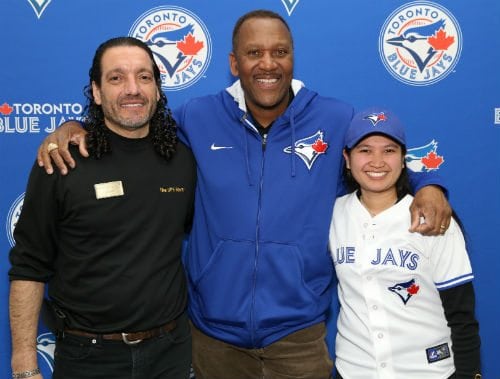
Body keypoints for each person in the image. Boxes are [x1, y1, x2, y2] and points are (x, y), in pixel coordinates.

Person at [35, 10, 452, 379]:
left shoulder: (335, 116)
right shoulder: (198, 116)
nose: (267, 64)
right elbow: (133, 128)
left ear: (292, 59)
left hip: (299, 336)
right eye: (254, 53)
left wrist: (428, 186)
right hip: (214, 338)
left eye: (279, 52)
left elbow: (376, 161)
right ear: (234, 63)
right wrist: (76, 127)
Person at [9, 37, 196, 379]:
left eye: (144, 77)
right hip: (87, 358)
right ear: (95, 92)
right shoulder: (62, 161)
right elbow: (28, 266)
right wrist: (24, 364)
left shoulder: (182, 160)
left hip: (170, 352)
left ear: (157, 88)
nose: (132, 89)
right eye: (116, 78)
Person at [328, 108, 481, 379]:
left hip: (427, 371)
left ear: (403, 159)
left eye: (389, 151)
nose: (377, 162)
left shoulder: (432, 217)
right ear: (347, 159)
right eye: (365, 150)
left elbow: (462, 314)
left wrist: (469, 374)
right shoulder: (332, 214)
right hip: (354, 370)